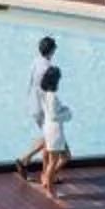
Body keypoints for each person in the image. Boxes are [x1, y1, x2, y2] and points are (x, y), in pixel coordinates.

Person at [16, 38, 58, 179]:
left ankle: (45, 173)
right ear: (52, 50)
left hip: (33, 103)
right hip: (42, 107)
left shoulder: (36, 61)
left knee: (47, 137)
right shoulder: (47, 68)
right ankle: (25, 160)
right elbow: (46, 90)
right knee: (50, 138)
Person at [32, 65, 69, 195]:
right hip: (55, 131)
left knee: (66, 156)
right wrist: (67, 114)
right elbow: (54, 115)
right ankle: (50, 189)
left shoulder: (44, 94)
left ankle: (48, 179)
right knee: (53, 162)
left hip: (49, 129)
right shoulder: (52, 96)